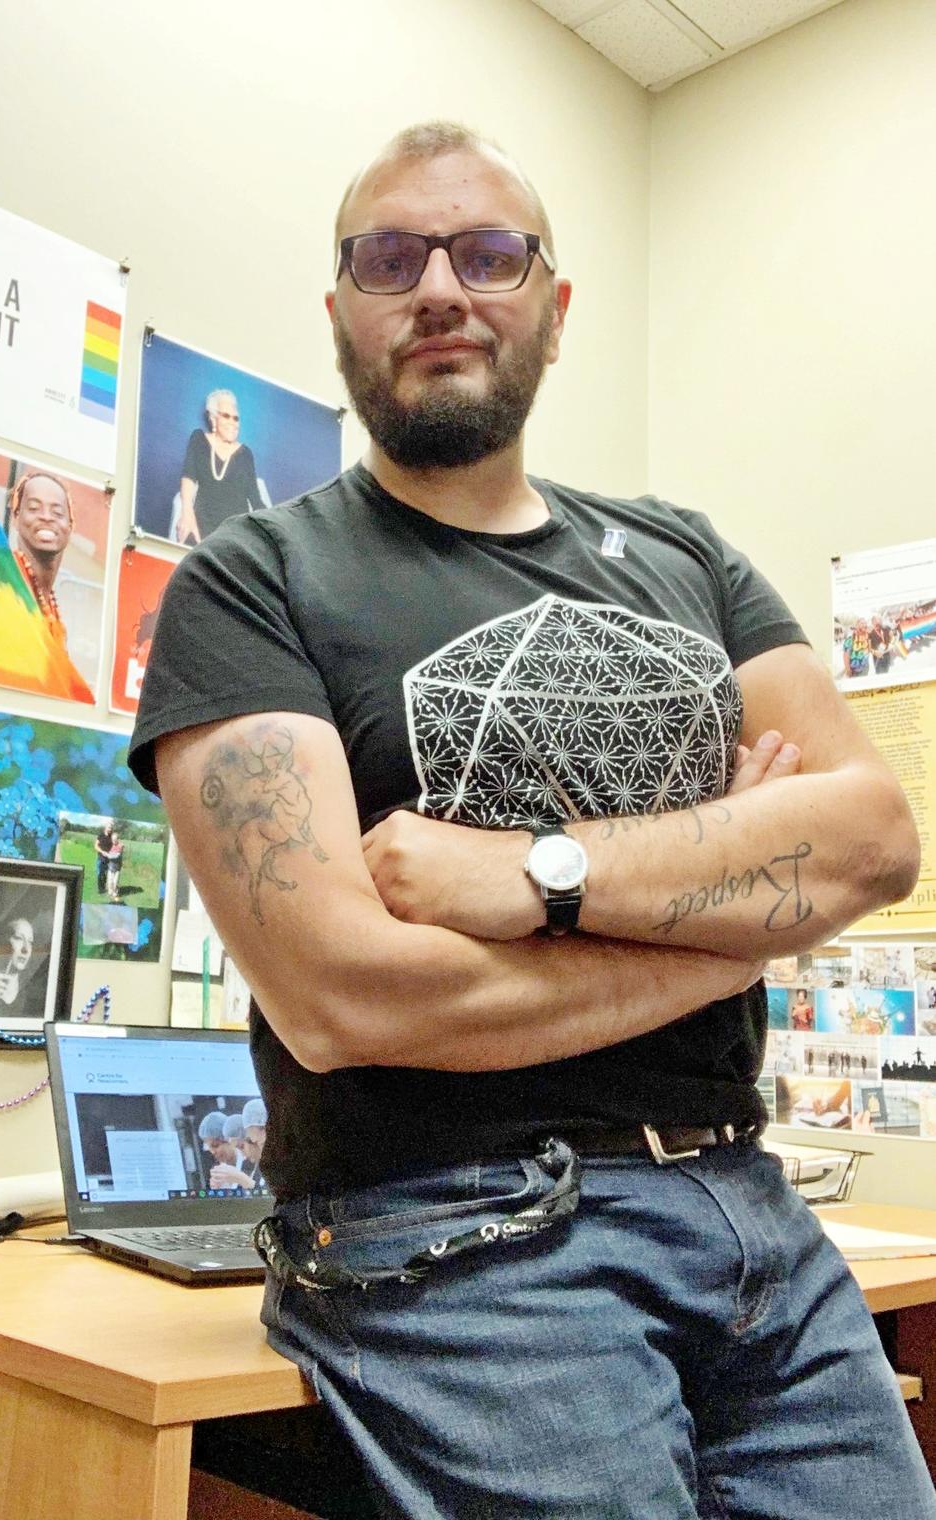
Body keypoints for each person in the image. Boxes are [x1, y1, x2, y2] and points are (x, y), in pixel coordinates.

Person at [130, 122, 934, 1518]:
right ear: (342, 317)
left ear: (554, 311)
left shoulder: (686, 556)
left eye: (488, 254)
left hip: (751, 1207)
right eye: (393, 257)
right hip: (453, 1229)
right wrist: (736, 932)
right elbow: (343, 996)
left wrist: (537, 876)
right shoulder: (251, 580)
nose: (440, 286)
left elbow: (870, 837)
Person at [172, 389, 264, 544]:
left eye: (236, 419)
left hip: (235, 533)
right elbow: (188, 477)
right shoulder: (199, 439)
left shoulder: (245, 454)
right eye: (226, 416)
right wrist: (187, 512)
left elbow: (255, 499)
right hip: (202, 524)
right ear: (213, 418)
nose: (232, 423)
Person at [8, 471, 75, 649]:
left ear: (70, 526)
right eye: (34, 508)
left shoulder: (51, 607)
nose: (46, 517)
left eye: (57, 512)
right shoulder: (5, 582)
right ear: (16, 517)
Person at [0, 915, 49, 1019]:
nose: (26, 949)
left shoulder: (34, 986)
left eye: (30, 942)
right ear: (3, 942)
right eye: (19, 938)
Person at [94, 820, 116, 895]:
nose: (110, 829)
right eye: (109, 827)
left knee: (106, 874)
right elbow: (96, 846)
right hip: (101, 857)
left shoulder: (112, 836)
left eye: (111, 828)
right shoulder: (101, 835)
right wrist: (102, 852)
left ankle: (105, 887)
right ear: (106, 827)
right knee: (100, 873)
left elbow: (115, 844)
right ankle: (100, 889)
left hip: (109, 859)